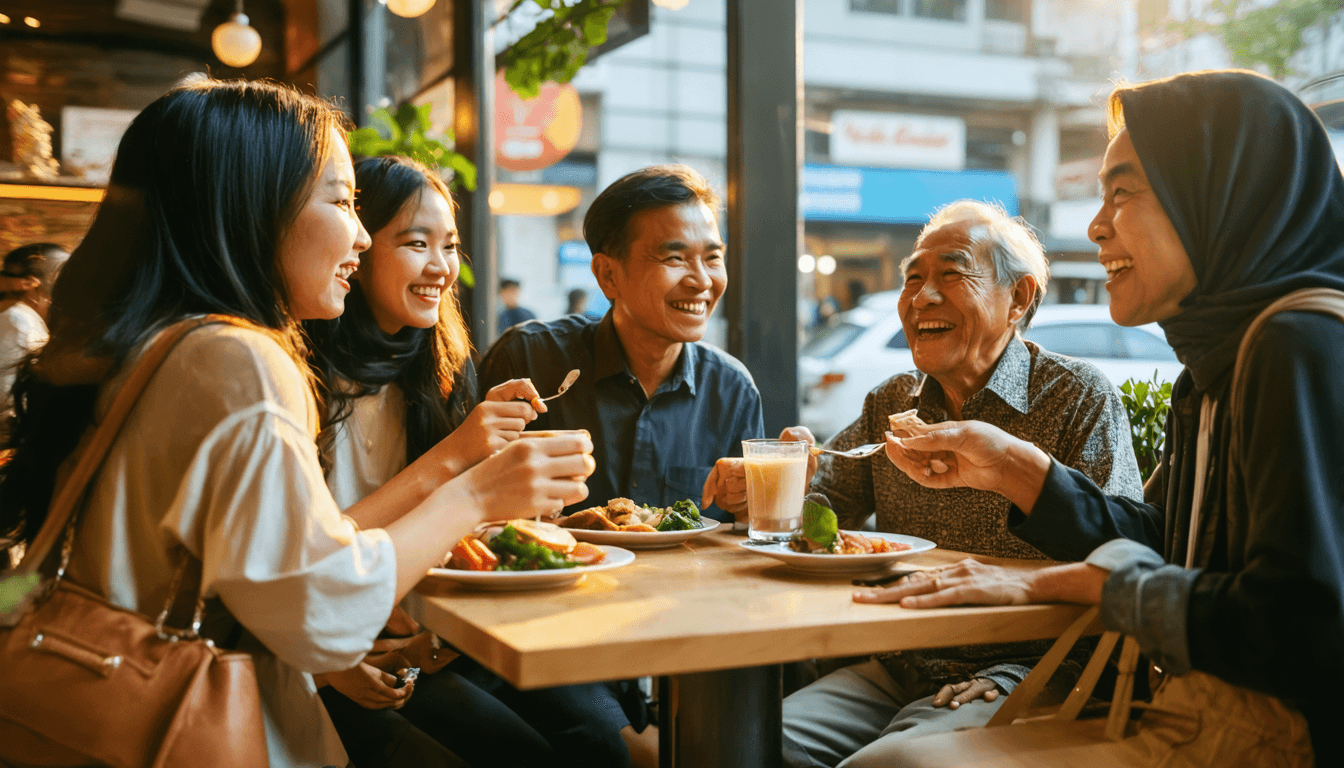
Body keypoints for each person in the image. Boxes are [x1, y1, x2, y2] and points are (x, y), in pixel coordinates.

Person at [0, 79, 592, 768]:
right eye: (342, 202)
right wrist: (477, 494)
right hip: (194, 725)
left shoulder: (139, 344)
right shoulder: (236, 359)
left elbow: (265, 568)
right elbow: (324, 615)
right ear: (252, 208)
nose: (362, 236)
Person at [869, 70, 1342, 766]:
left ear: (1218, 195)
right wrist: (1011, 467)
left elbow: (1302, 628)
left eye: (1122, 192)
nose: (1095, 226)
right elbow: (1172, 542)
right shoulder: (1220, 362)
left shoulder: (1294, 344)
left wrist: (1067, 582)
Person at [708, 200, 1144, 768]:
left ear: (1019, 298)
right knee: (742, 748)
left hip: (1032, 670)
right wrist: (760, 494)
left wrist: (1023, 670)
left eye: (951, 274)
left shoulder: (1076, 396)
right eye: (913, 277)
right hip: (898, 661)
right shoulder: (893, 401)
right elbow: (819, 502)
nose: (921, 297)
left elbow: (1121, 551)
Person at [477, 164, 765, 767]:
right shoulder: (531, 358)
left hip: (680, 638)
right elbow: (463, 517)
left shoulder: (731, 389)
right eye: (674, 257)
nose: (702, 279)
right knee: (625, 754)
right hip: (548, 633)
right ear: (608, 274)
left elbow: (750, 545)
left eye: (712, 257)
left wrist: (751, 508)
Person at [306, 155, 560, 767]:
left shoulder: (439, 368)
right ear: (358, 249)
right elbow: (312, 554)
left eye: (450, 245)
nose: (442, 267)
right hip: (307, 650)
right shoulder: (299, 371)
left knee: (539, 752)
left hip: (405, 644)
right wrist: (459, 456)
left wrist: (511, 488)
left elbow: (451, 538)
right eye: (416, 243)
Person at [0, 242, 67, 414]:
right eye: (62, 275)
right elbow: (7, 400)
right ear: (30, 283)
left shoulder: (20, 319)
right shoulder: (19, 323)